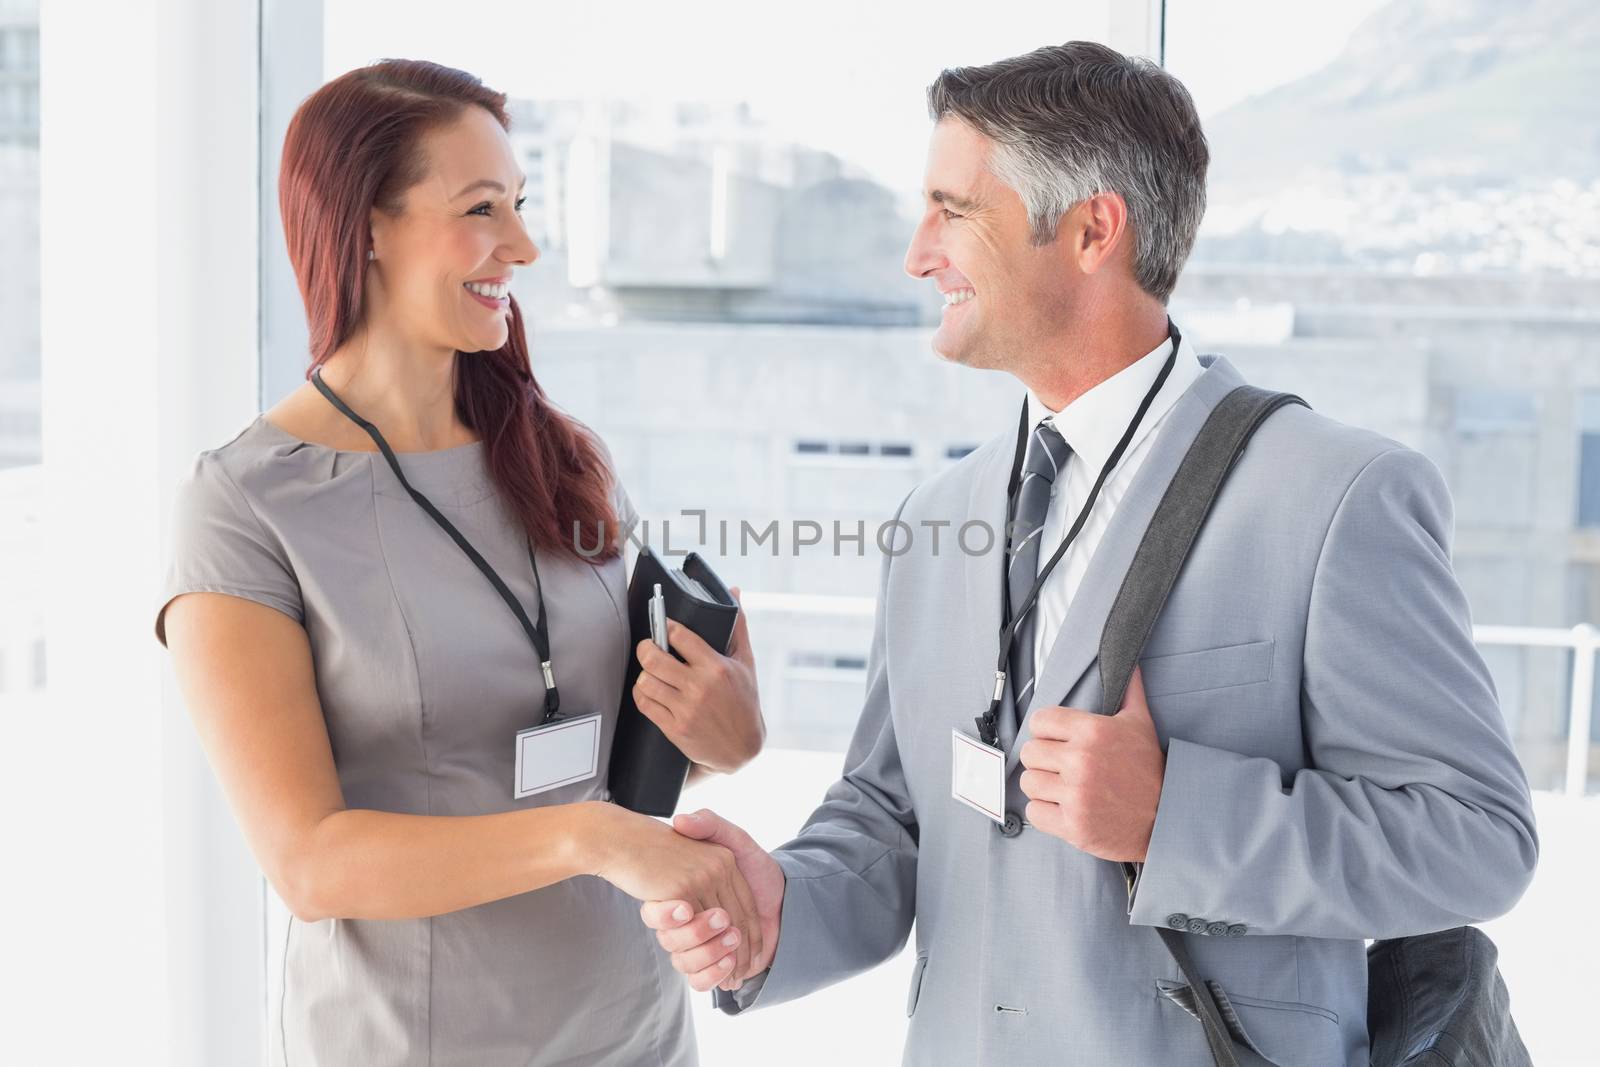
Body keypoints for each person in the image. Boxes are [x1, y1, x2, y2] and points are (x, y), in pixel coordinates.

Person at [638, 41, 1539, 1065]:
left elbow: (1476, 838)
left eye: (953, 209)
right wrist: (781, 905)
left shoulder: (1335, 495)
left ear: (1091, 229)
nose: (917, 252)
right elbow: (891, 813)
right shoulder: (936, 516)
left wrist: (1175, 818)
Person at [154, 58, 767, 1066]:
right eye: (483, 209)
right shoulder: (245, 506)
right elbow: (310, 860)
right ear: (364, 227)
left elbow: (606, 737)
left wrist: (726, 729)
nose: (521, 246)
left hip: (635, 1029)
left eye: (520, 206)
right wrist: (589, 837)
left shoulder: (565, 458)